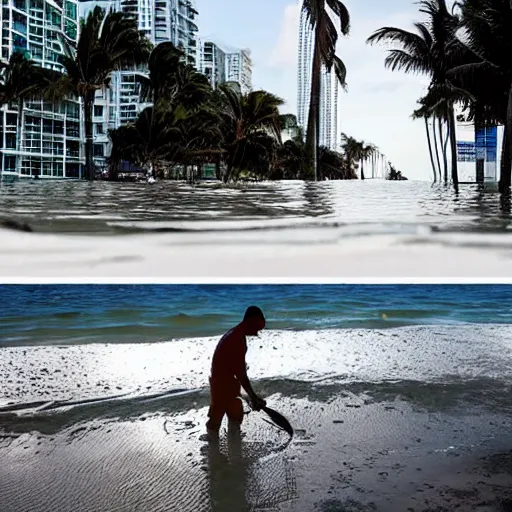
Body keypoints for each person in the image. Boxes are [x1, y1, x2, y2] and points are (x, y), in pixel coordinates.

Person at [206, 306, 267, 432]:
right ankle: (212, 448)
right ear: (251, 321)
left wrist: (250, 396)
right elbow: (241, 375)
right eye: (257, 328)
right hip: (221, 385)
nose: (257, 333)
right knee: (215, 421)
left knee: (236, 417)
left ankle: (234, 448)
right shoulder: (236, 339)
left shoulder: (235, 334)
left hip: (229, 383)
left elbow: (236, 368)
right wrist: (253, 397)